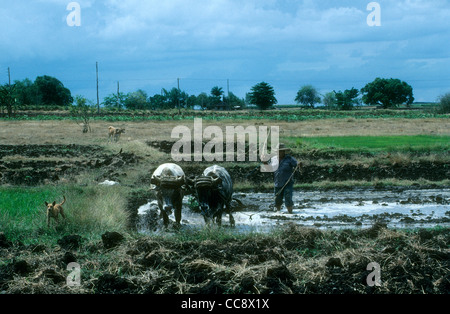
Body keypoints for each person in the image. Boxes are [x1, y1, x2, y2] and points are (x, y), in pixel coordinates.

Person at [262, 143, 299, 214]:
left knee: (288, 197)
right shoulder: (273, 159)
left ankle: (290, 214)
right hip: (278, 182)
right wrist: (265, 163)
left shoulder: (290, 159)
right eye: (278, 151)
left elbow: (297, 165)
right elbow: (269, 169)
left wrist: (299, 165)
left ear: (284, 151)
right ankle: (278, 213)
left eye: (281, 151)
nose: (280, 152)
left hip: (287, 182)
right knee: (277, 199)